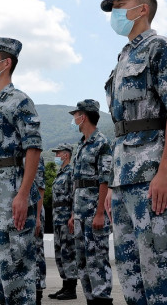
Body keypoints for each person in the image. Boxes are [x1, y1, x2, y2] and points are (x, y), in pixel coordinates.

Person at [102, 0, 167, 305]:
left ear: (142, 8)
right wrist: (113, 187)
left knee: (162, 274)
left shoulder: (162, 48)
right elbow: (121, 128)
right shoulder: (124, 57)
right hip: (125, 181)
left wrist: (166, 169)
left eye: (119, 6)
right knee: (132, 278)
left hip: (153, 175)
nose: (113, 12)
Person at [0, 37, 42, 305]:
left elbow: (34, 149)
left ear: (6, 63)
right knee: (1, 275)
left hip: (12, 194)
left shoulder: (19, 101)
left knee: (17, 274)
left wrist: (23, 194)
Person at [67, 99, 113, 304]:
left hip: (95, 212)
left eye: (76, 114)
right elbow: (76, 184)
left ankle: (102, 299)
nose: (74, 118)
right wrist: (72, 214)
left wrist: (100, 212)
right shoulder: (80, 145)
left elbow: (105, 179)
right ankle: (91, 299)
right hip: (80, 214)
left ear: (83, 116)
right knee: (83, 261)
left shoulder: (102, 143)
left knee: (98, 260)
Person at [47, 143, 78, 300]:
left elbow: (74, 196)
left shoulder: (71, 172)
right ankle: (65, 285)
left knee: (68, 252)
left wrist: (73, 215)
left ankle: (71, 289)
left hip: (67, 219)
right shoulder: (61, 173)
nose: (56, 156)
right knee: (59, 253)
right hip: (58, 219)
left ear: (66, 155)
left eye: (58, 153)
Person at [34, 157, 47, 305]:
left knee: (36, 251)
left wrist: (37, 217)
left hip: (33, 210)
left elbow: (40, 188)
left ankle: (38, 291)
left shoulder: (34, 156)